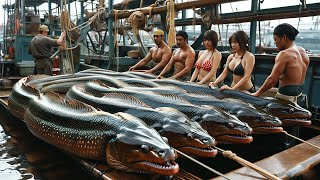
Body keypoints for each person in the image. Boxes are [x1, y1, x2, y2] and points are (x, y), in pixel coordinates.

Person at [251, 23, 310, 104]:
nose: (275, 43)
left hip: (285, 99)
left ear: (284, 37)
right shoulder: (302, 51)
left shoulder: (284, 54)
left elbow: (272, 79)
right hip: (299, 97)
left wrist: (257, 94)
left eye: (275, 39)